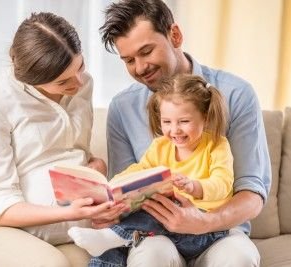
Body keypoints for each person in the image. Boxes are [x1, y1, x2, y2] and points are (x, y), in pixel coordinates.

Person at [98, 0, 271, 266]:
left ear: (175, 36)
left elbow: (251, 194)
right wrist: (106, 205)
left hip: (220, 231)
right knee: (150, 256)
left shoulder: (237, 94)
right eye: (129, 60)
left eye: (146, 51)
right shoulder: (122, 107)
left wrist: (204, 222)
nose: (140, 67)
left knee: (238, 257)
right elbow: (126, 188)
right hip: (156, 233)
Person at [0, 12, 126, 266]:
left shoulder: (83, 85)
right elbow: (1, 207)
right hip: (1, 229)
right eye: (63, 81)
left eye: (80, 66)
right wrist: (67, 212)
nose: (79, 82)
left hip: (71, 228)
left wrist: (95, 167)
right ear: (31, 80)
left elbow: (74, 152)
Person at [68, 74, 234, 266]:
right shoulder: (160, 145)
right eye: (167, 122)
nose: (175, 130)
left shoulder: (217, 145)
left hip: (202, 231)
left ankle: (113, 236)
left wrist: (194, 186)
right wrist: (112, 185)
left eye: (184, 121)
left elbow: (223, 182)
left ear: (205, 118)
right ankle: (107, 251)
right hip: (163, 228)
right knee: (121, 226)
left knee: (150, 216)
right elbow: (142, 169)